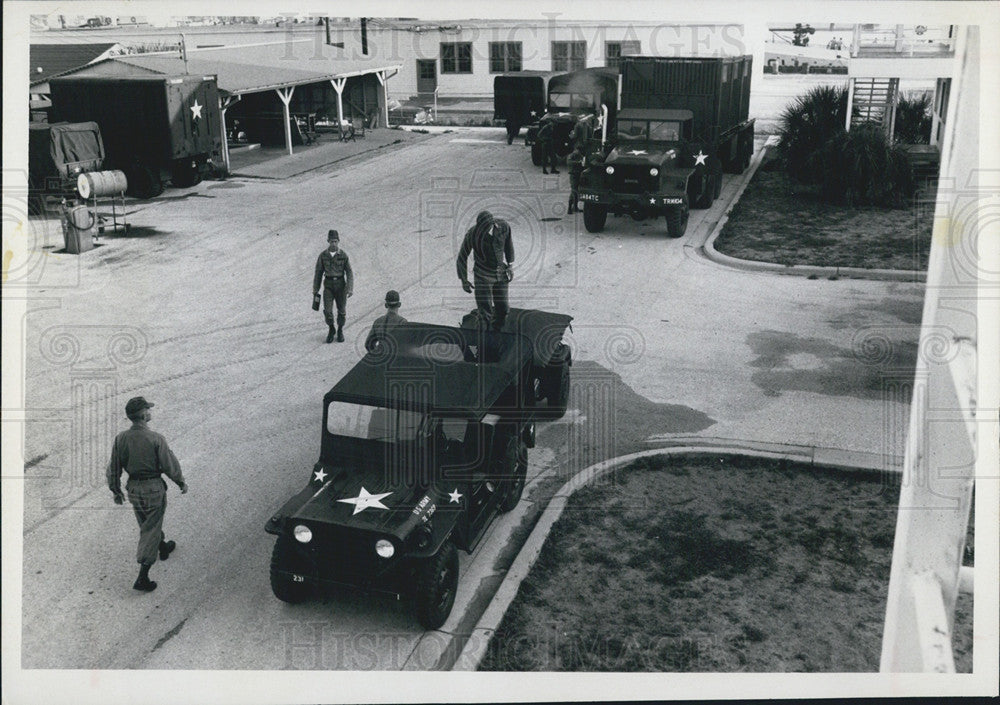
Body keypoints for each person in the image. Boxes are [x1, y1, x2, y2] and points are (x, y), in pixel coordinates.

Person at [107, 396, 188, 593]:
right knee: (150, 529)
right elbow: (169, 465)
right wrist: (180, 482)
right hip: (153, 488)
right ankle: (142, 576)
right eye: (148, 410)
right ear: (143, 415)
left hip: (134, 489)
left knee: (148, 524)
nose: (150, 412)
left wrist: (116, 490)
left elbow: (113, 468)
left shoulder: (121, 439)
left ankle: (162, 547)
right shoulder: (156, 439)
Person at [456, 210, 514, 330]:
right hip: (483, 275)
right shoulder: (472, 234)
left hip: (500, 273)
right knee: (485, 312)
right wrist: (464, 280)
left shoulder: (504, 227)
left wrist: (510, 265)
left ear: (492, 224)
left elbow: (509, 245)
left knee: (503, 308)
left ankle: (497, 333)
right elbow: (462, 257)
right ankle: (482, 340)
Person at [313, 229, 354, 343]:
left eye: (335, 241)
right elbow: (318, 273)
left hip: (341, 286)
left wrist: (350, 288)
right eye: (331, 241)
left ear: (338, 241)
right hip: (328, 286)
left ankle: (340, 330)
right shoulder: (323, 256)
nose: (334, 244)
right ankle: (331, 329)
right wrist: (315, 290)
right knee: (328, 311)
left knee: (341, 311)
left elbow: (349, 272)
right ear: (328, 241)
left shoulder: (343, 255)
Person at [567, 146, 586, 215]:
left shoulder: (580, 155)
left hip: (578, 175)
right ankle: (570, 207)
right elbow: (569, 162)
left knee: (576, 191)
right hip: (573, 175)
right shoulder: (572, 156)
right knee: (574, 191)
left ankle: (575, 207)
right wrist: (579, 162)